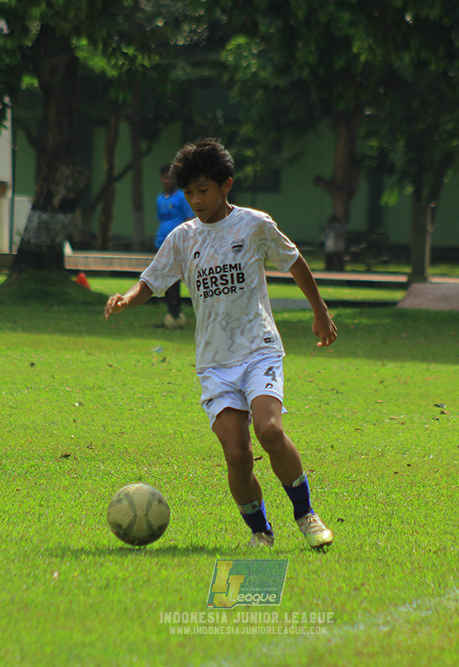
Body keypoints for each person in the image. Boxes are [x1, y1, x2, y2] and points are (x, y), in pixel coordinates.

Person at [105, 139, 337, 550]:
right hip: (214, 362)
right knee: (236, 454)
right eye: (188, 192)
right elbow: (152, 281)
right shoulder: (182, 238)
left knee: (268, 429)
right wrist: (127, 298)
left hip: (258, 348)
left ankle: (306, 514)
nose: (195, 200)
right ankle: (260, 532)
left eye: (203, 190)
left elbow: (295, 260)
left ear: (226, 184)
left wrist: (319, 311)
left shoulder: (253, 224)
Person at [155, 164, 195, 329]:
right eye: (165, 177)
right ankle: (172, 312)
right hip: (161, 242)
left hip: (178, 243)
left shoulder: (181, 197)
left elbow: (189, 219)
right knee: (166, 278)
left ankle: (176, 312)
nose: (167, 180)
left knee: (178, 278)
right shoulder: (160, 199)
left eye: (170, 177)